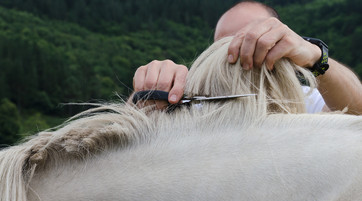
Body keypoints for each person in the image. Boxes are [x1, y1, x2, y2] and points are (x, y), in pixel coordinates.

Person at [131, 0, 362, 114]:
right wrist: (149, 95)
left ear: (284, 44)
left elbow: (356, 113)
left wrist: (315, 57)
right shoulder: (192, 109)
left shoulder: (306, 102)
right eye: (225, 50)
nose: (244, 57)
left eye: (261, 42)